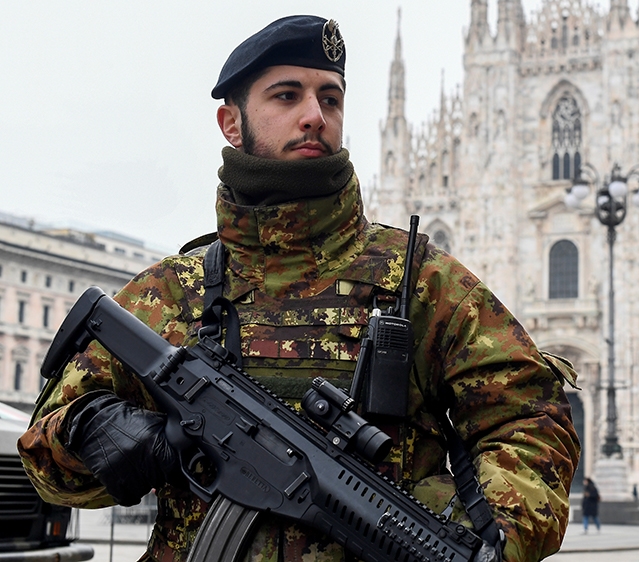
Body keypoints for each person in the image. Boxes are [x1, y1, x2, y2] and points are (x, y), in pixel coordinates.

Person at [17, 15, 580, 562]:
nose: (314, 115)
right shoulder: (170, 293)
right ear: (231, 123)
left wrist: (489, 534)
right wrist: (94, 432)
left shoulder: (420, 282)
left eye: (330, 98)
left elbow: (531, 417)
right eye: (287, 96)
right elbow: (46, 458)